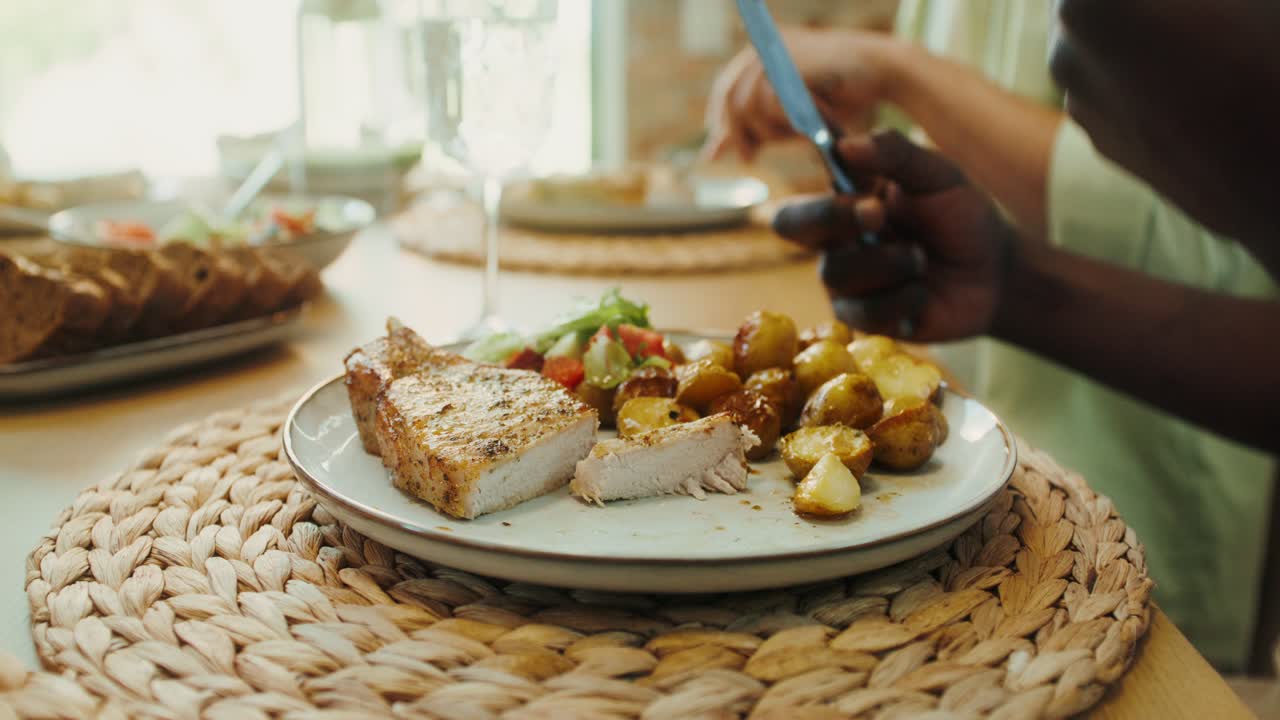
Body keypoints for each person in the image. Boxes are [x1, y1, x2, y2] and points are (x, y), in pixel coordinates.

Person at [701, 1, 1277, 671]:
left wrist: (906, 72)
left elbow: (1202, 251)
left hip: (1152, 521)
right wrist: (1007, 284)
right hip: (987, 524)